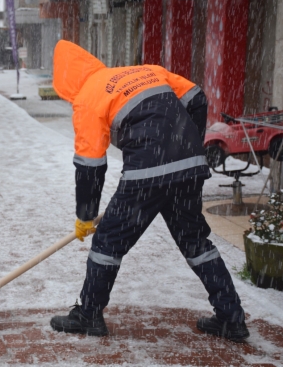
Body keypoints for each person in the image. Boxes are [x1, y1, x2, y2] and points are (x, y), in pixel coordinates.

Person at [49, 40, 249, 342]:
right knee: (195, 242)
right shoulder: (146, 71)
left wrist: (86, 216)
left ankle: (89, 314)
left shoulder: (88, 98)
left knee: (108, 243)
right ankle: (231, 317)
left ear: (66, 83)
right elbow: (197, 98)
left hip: (147, 174)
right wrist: (188, 148)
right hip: (189, 167)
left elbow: (90, 166)